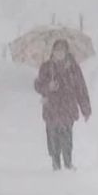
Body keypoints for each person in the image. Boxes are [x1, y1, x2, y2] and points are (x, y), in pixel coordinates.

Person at [33, 39, 91, 170]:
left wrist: (85, 108)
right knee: (53, 137)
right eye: (57, 50)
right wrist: (48, 87)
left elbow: (81, 88)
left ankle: (68, 162)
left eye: (62, 50)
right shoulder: (46, 67)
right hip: (51, 108)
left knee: (66, 136)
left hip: (67, 108)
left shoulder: (73, 68)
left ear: (66, 52)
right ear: (52, 51)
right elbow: (38, 85)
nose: (59, 53)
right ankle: (55, 162)